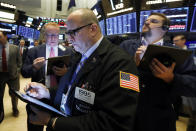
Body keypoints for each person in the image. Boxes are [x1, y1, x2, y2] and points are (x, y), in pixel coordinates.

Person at [24, 8, 139, 131]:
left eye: (73, 32)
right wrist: (46, 92)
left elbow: (114, 123)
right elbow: (70, 90)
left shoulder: (122, 64)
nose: (69, 39)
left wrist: (52, 121)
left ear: (93, 29)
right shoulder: (79, 54)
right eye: (68, 34)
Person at [120, 13, 196, 131]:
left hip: (160, 120)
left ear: (164, 29)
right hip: (128, 116)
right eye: (146, 20)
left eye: (154, 21)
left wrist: (171, 78)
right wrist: (133, 66)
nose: (147, 22)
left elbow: (193, 85)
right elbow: (114, 77)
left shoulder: (177, 53)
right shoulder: (126, 46)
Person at [21, 22, 73, 131]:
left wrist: (66, 72)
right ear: (44, 35)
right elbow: (24, 72)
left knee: (55, 126)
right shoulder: (34, 51)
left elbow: (74, 73)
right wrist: (34, 67)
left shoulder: (68, 51)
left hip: (58, 96)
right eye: (50, 35)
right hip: (37, 96)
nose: (53, 38)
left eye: (56, 35)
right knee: (34, 126)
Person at [0, 31, 22, 123]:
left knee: (14, 94)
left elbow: (20, 62)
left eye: (0, 36)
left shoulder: (15, 48)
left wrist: (17, 72)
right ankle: (1, 112)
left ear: (5, 37)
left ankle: (15, 109)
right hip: (0, 75)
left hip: (13, 75)